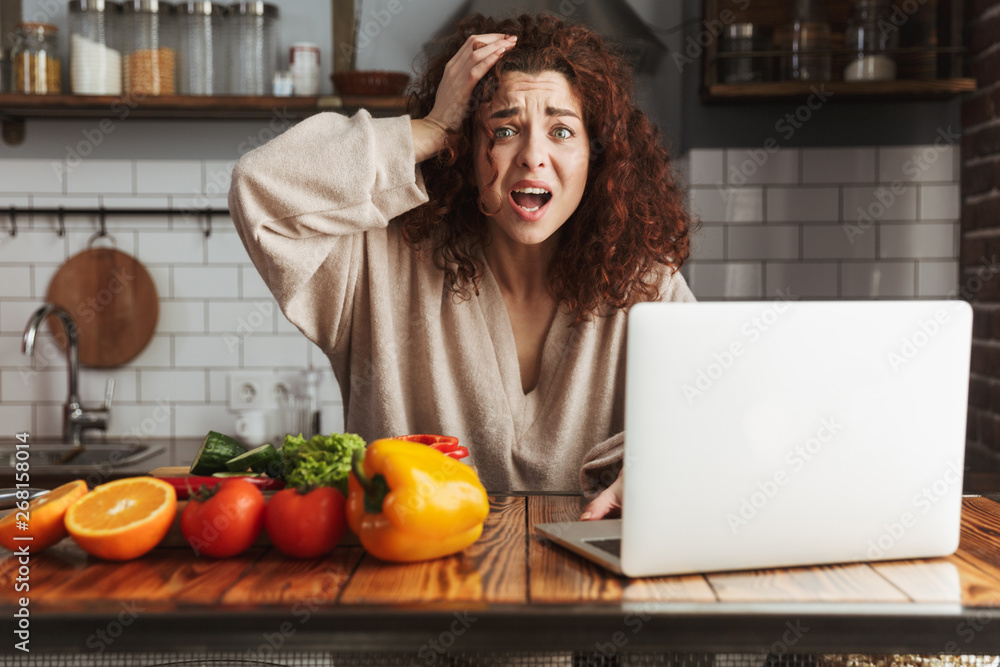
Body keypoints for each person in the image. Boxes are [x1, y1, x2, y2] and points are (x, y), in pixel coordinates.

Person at [229, 13, 695, 520]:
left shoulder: (646, 284)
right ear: (465, 151)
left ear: (596, 158)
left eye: (562, 130)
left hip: (594, 584)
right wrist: (428, 129)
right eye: (504, 129)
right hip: (406, 577)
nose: (533, 156)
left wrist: (654, 462)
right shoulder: (373, 261)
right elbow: (260, 187)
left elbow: (711, 411)